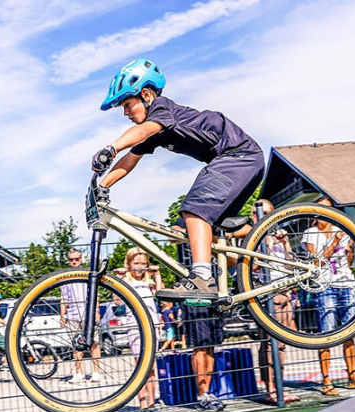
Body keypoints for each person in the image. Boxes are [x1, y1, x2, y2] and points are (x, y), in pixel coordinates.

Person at [93, 58, 264, 301]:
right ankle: (244, 271)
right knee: (183, 229)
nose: (125, 112)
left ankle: (202, 278)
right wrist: (101, 187)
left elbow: (140, 133)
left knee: (195, 209)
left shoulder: (162, 110)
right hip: (241, 162)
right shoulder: (155, 130)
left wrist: (111, 148)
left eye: (128, 104)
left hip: (238, 156)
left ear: (146, 95)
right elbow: (130, 160)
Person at [302, 197, 355, 395]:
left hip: (347, 285)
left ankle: (353, 377)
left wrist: (349, 249)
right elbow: (315, 264)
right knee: (327, 334)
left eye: (330, 209)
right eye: (324, 209)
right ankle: (326, 381)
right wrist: (334, 241)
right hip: (326, 287)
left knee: (350, 334)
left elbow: (348, 263)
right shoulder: (311, 234)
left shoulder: (341, 231)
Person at [251, 200, 300, 404]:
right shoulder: (252, 237)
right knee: (270, 345)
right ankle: (272, 389)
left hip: (285, 293)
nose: (265, 217)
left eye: (270, 213)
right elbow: (251, 268)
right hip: (267, 295)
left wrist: (284, 243)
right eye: (261, 213)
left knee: (280, 345)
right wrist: (267, 246)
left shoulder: (276, 234)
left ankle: (278, 386)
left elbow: (291, 264)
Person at [177, 243, 225, 412]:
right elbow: (172, 236)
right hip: (194, 293)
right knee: (199, 347)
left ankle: (209, 392)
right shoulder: (187, 220)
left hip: (215, 291)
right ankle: (202, 393)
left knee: (210, 346)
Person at [123, 247, 165, 412]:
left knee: (152, 368)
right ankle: (142, 407)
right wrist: (121, 277)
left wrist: (156, 275)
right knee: (141, 367)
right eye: (136, 263)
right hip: (136, 328)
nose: (140, 267)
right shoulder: (126, 281)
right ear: (129, 263)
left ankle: (152, 404)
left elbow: (162, 296)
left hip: (152, 327)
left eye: (143, 264)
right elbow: (117, 300)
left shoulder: (149, 283)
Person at [60, 249, 102, 384]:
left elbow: (95, 294)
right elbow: (64, 299)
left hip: (88, 314)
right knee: (76, 346)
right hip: (72, 315)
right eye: (71, 259)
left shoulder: (87, 275)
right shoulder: (65, 278)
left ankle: (96, 372)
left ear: (81, 259)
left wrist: (96, 310)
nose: (74, 261)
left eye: (76, 259)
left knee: (94, 344)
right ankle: (79, 373)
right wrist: (62, 315)